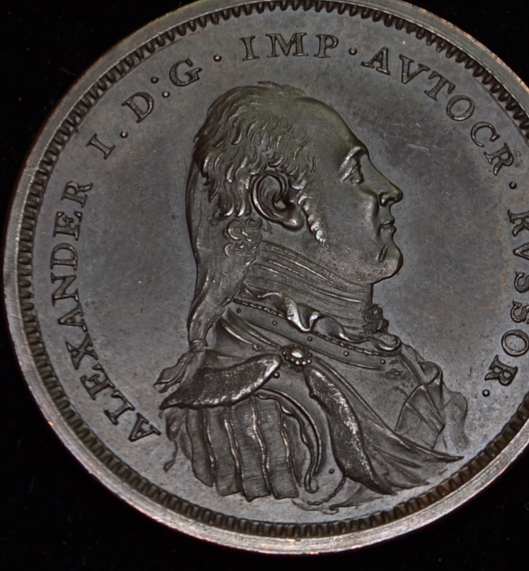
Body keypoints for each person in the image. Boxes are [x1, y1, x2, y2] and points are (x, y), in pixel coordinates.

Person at [156, 83, 468, 510]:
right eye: (356, 173)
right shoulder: (250, 425)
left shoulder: (392, 359)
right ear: (278, 202)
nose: (390, 189)